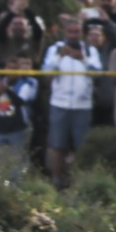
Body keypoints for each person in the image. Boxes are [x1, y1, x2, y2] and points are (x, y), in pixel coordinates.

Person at [42, 19, 102, 189]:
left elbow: (98, 72)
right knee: (57, 146)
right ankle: (56, 182)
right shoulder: (54, 49)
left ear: (81, 33)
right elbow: (46, 71)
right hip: (59, 103)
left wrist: (82, 59)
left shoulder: (90, 50)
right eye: (70, 32)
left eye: (77, 32)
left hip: (82, 106)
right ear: (65, 32)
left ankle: (78, 183)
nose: (73, 35)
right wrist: (60, 57)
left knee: (80, 147)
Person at [0, 54, 39, 179]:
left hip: (17, 129)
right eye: (9, 68)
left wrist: (7, 91)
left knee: (17, 162)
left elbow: (20, 101)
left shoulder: (25, 83)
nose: (12, 72)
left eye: (15, 69)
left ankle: (17, 186)